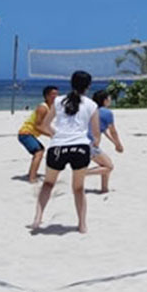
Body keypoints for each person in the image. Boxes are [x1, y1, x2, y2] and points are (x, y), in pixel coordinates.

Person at [31, 71, 99, 234]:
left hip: (58, 147)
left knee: (48, 184)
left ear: (71, 83)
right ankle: (82, 225)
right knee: (78, 188)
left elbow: (46, 124)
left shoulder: (58, 101)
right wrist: (92, 147)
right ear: (88, 86)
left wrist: (56, 136)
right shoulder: (91, 105)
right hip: (80, 147)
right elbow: (96, 135)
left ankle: (37, 219)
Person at [17, 85, 58, 183]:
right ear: (47, 96)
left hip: (29, 134)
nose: (56, 96)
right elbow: (37, 126)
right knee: (38, 152)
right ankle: (32, 178)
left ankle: (31, 173)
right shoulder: (42, 108)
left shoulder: (51, 108)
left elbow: (45, 125)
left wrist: (54, 133)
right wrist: (51, 135)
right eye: (53, 94)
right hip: (25, 133)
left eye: (57, 94)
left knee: (40, 151)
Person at [87, 90, 124, 193]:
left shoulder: (91, 111)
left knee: (105, 164)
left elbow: (104, 131)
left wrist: (115, 144)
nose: (110, 100)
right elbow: (113, 131)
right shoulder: (107, 112)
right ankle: (81, 174)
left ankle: (104, 189)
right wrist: (119, 144)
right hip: (90, 144)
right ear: (104, 100)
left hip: (84, 142)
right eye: (109, 98)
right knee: (109, 167)